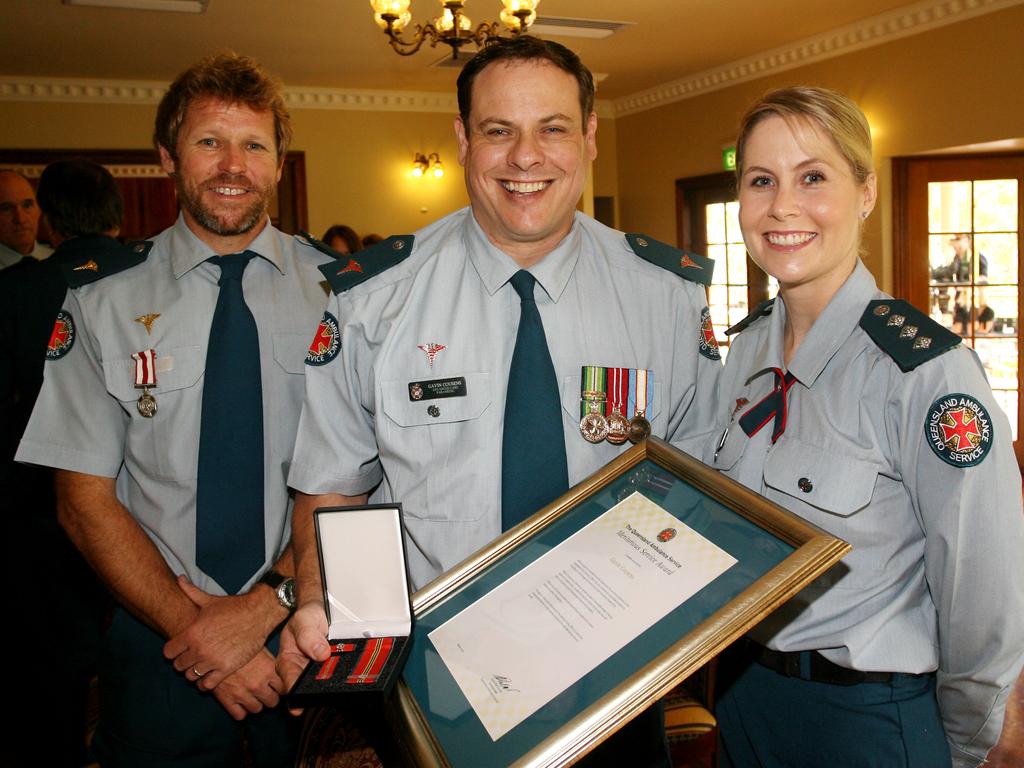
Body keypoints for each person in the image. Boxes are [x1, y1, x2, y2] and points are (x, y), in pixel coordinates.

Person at [280, 35, 721, 766]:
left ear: (588, 137)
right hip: (432, 677)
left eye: (551, 128)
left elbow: (701, 485)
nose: (525, 158)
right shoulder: (373, 301)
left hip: (615, 674)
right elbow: (331, 487)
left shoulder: (666, 297)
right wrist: (318, 600)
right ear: (461, 140)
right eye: (498, 131)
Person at [16, 52, 335, 767]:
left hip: (309, 625)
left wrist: (263, 611)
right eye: (208, 142)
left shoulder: (347, 296)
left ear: (280, 163)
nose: (233, 165)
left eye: (254, 145)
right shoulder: (99, 301)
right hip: (156, 633)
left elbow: (366, 476)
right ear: (168, 156)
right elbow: (81, 500)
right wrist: (202, 636)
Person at [705, 86, 1024, 768]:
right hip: (743, 697)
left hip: (865, 719)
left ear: (866, 192)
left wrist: (969, 736)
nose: (783, 207)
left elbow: (983, 589)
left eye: (813, 177)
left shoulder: (925, 374)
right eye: (761, 181)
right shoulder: (745, 351)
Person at [0, 159, 122, 767]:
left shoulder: (17, 292)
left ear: (48, 216)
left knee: (52, 670)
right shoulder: (145, 277)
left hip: (38, 514)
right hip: (142, 509)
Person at [0, 169, 53, 268]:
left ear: (39, 209)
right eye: (6, 209)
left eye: (27, 205)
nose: (21, 219)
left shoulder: (58, 261)